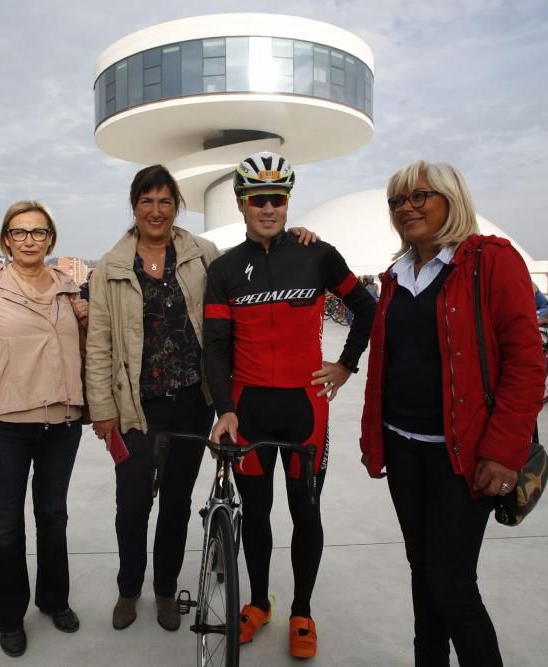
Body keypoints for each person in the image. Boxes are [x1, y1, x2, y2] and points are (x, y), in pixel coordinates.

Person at [359, 160, 544, 666]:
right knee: (424, 574)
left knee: (452, 583)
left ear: (451, 199)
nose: (406, 207)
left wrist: (504, 451)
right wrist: (374, 438)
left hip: (463, 457)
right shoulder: (396, 276)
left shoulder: (491, 260)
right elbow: (387, 366)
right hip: (404, 446)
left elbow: (527, 364)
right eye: (397, 200)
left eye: (420, 196)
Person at [203, 151, 377, 659]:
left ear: (288, 203)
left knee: (306, 512)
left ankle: (302, 609)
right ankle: (258, 603)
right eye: (258, 199)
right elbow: (215, 345)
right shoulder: (225, 269)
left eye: (278, 198)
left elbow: (366, 307)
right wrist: (224, 410)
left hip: (307, 409)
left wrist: (346, 365)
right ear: (241, 203)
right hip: (249, 408)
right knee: (256, 515)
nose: (269, 207)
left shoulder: (317, 255)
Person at [85, 164, 220, 632]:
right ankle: (129, 588)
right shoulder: (112, 266)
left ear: (177, 206)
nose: (156, 210)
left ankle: (165, 591)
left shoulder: (203, 254)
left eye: (165, 201)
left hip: (191, 402)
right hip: (135, 407)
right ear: (134, 206)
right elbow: (99, 342)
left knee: (177, 503)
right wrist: (101, 408)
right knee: (132, 504)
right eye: (147, 200)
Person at [0, 201, 87, 658]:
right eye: (20, 232)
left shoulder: (70, 290)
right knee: (6, 528)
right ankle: (10, 617)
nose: (30, 240)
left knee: (53, 517)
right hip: (6, 428)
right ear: (6, 240)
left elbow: (86, 351)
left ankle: (54, 599)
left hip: (62, 423)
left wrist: (87, 322)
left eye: (39, 232)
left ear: (51, 238)